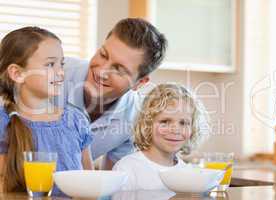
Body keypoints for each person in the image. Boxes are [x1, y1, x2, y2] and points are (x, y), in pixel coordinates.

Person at [62, 18, 168, 169]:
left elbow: (113, 179)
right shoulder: (55, 73)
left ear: (139, 83)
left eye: (118, 69)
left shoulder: (135, 118)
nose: (101, 72)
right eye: (103, 55)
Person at [0, 27, 94, 195]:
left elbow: (90, 185)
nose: (60, 73)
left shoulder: (76, 120)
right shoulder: (4, 122)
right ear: (17, 73)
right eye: (50, 64)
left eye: (61, 64)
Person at [112, 83, 201, 191]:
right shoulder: (127, 168)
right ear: (147, 125)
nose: (176, 130)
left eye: (183, 123)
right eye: (165, 122)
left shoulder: (187, 172)